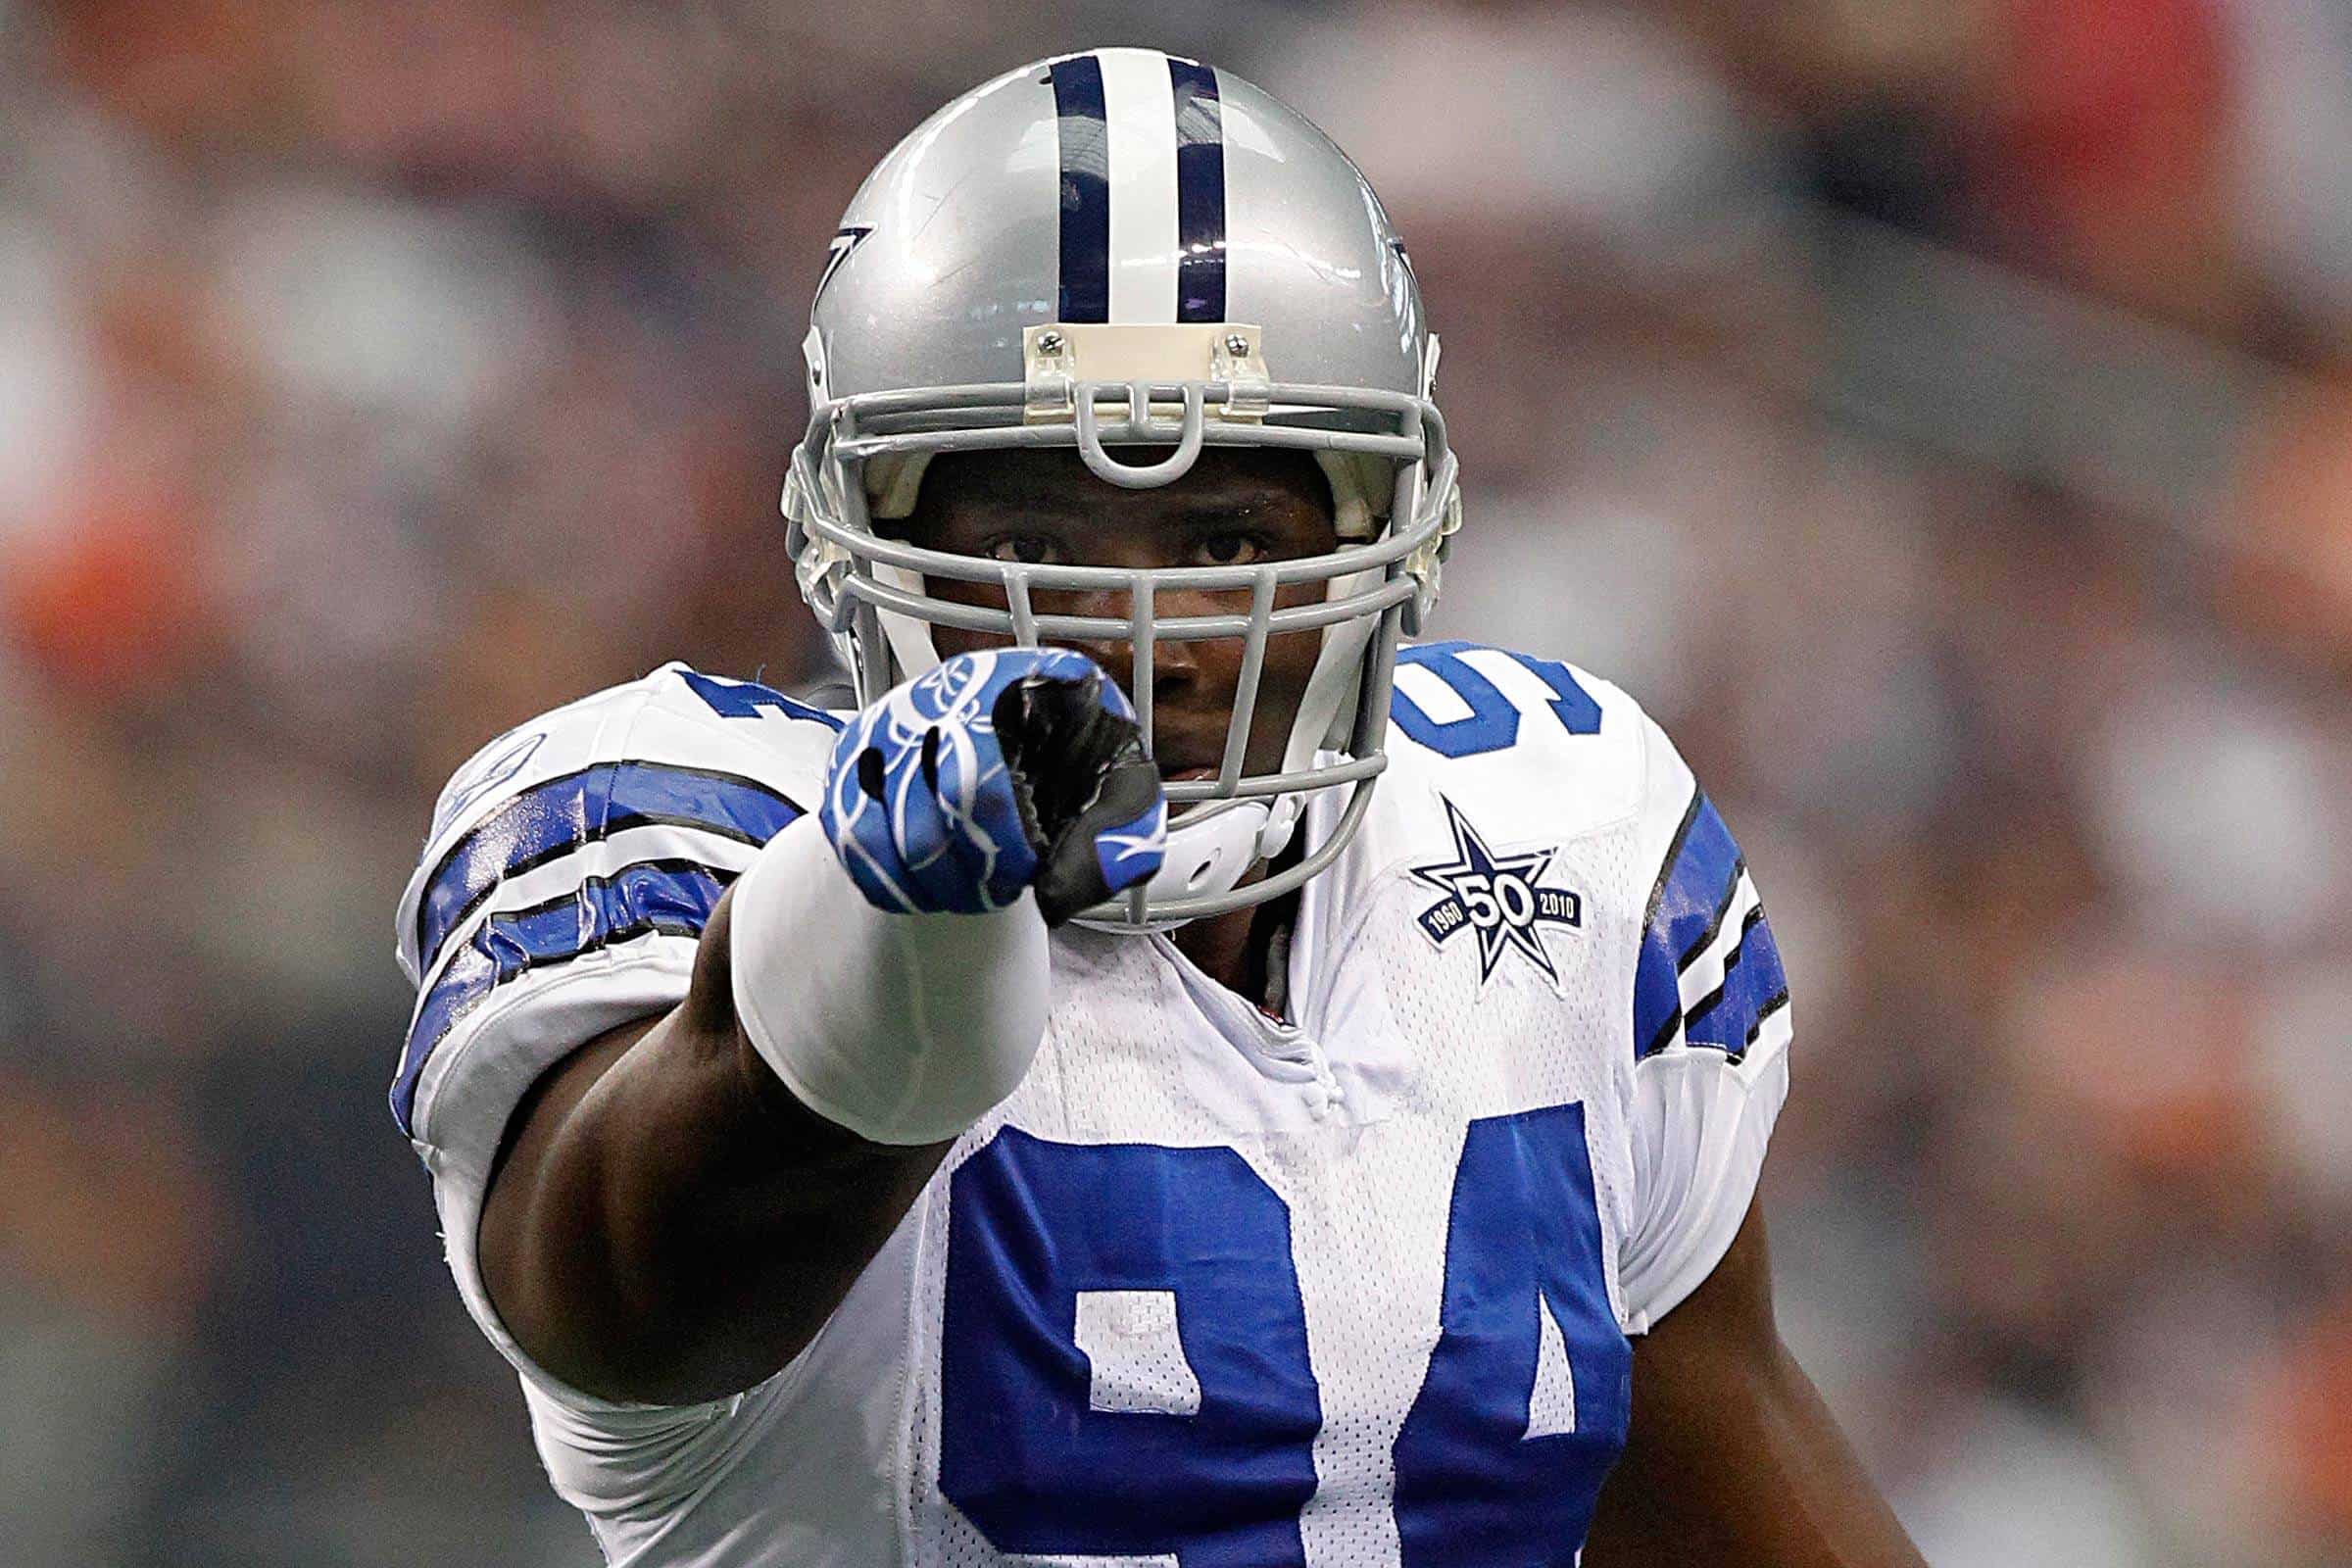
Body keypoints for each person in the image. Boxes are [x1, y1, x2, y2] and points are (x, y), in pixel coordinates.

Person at [390, 48, 1926, 1566]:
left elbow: (1718, 1468)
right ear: (860, 534)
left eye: (1229, 536)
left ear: (1390, 531)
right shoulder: (713, 831)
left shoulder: (1558, 824)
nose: (1150, 638)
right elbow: (621, 1301)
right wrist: (874, 946)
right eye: (1041, 542)